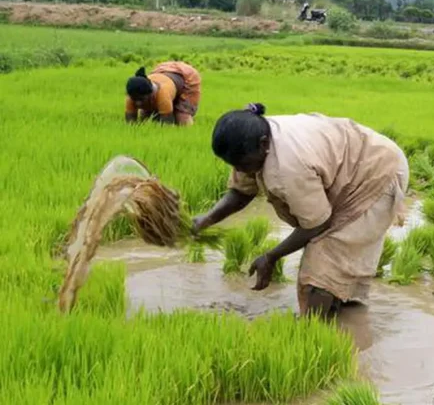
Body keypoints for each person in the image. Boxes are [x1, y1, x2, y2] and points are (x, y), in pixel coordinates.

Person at [192, 103, 409, 319]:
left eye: (242, 163)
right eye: (233, 164)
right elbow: (241, 191)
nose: (239, 169)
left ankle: (313, 331)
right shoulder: (253, 142)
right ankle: (342, 318)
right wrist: (207, 219)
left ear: (264, 144)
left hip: (377, 173)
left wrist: (270, 257)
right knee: (331, 263)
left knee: (322, 266)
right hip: (354, 163)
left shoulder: (288, 167)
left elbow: (316, 224)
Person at [125, 62, 202, 126]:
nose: (138, 103)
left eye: (141, 99)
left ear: (151, 94)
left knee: (182, 118)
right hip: (163, 73)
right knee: (146, 120)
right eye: (135, 99)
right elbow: (131, 123)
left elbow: (167, 124)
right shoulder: (131, 97)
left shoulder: (162, 94)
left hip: (186, 77)